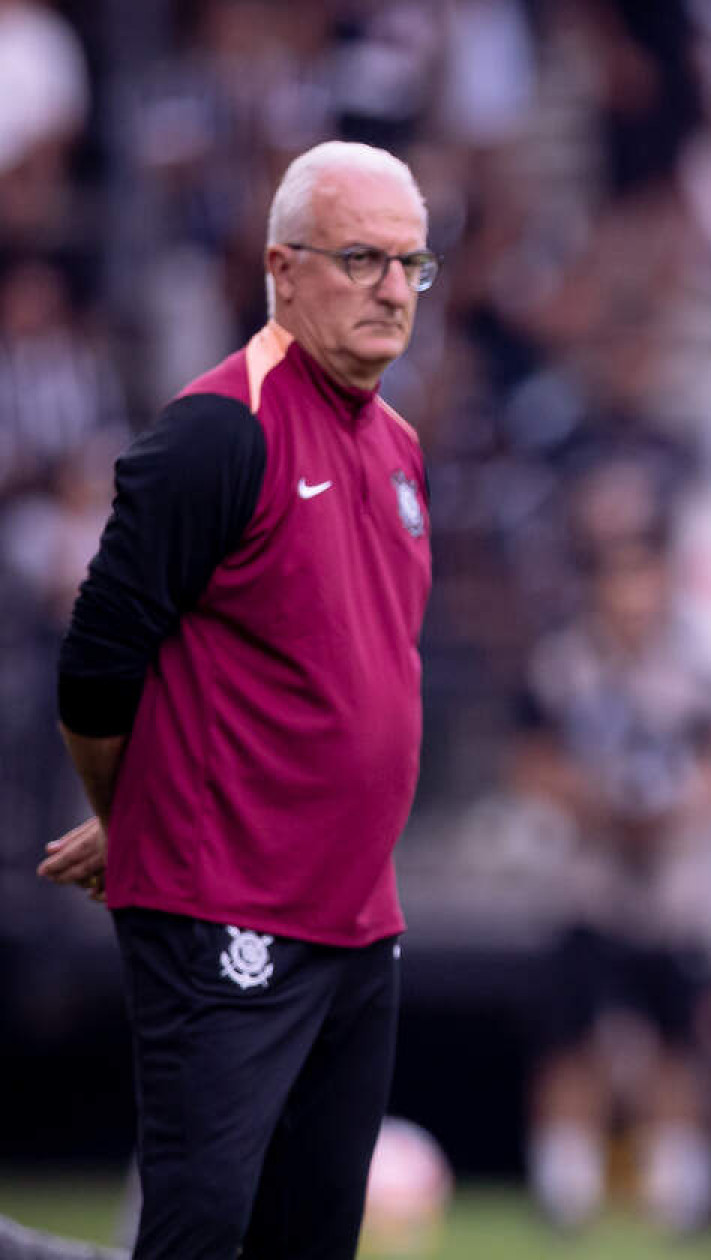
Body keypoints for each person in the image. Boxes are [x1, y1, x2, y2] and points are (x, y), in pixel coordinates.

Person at [36, 139, 437, 1259]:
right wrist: (132, 813)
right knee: (202, 1231)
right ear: (282, 267)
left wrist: (139, 806)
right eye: (361, 259)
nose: (392, 289)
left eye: (411, 264)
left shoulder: (401, 444)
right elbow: (96, 664)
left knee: (311, 1237)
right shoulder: (220, 430)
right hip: (228, 908)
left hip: (358, 917)